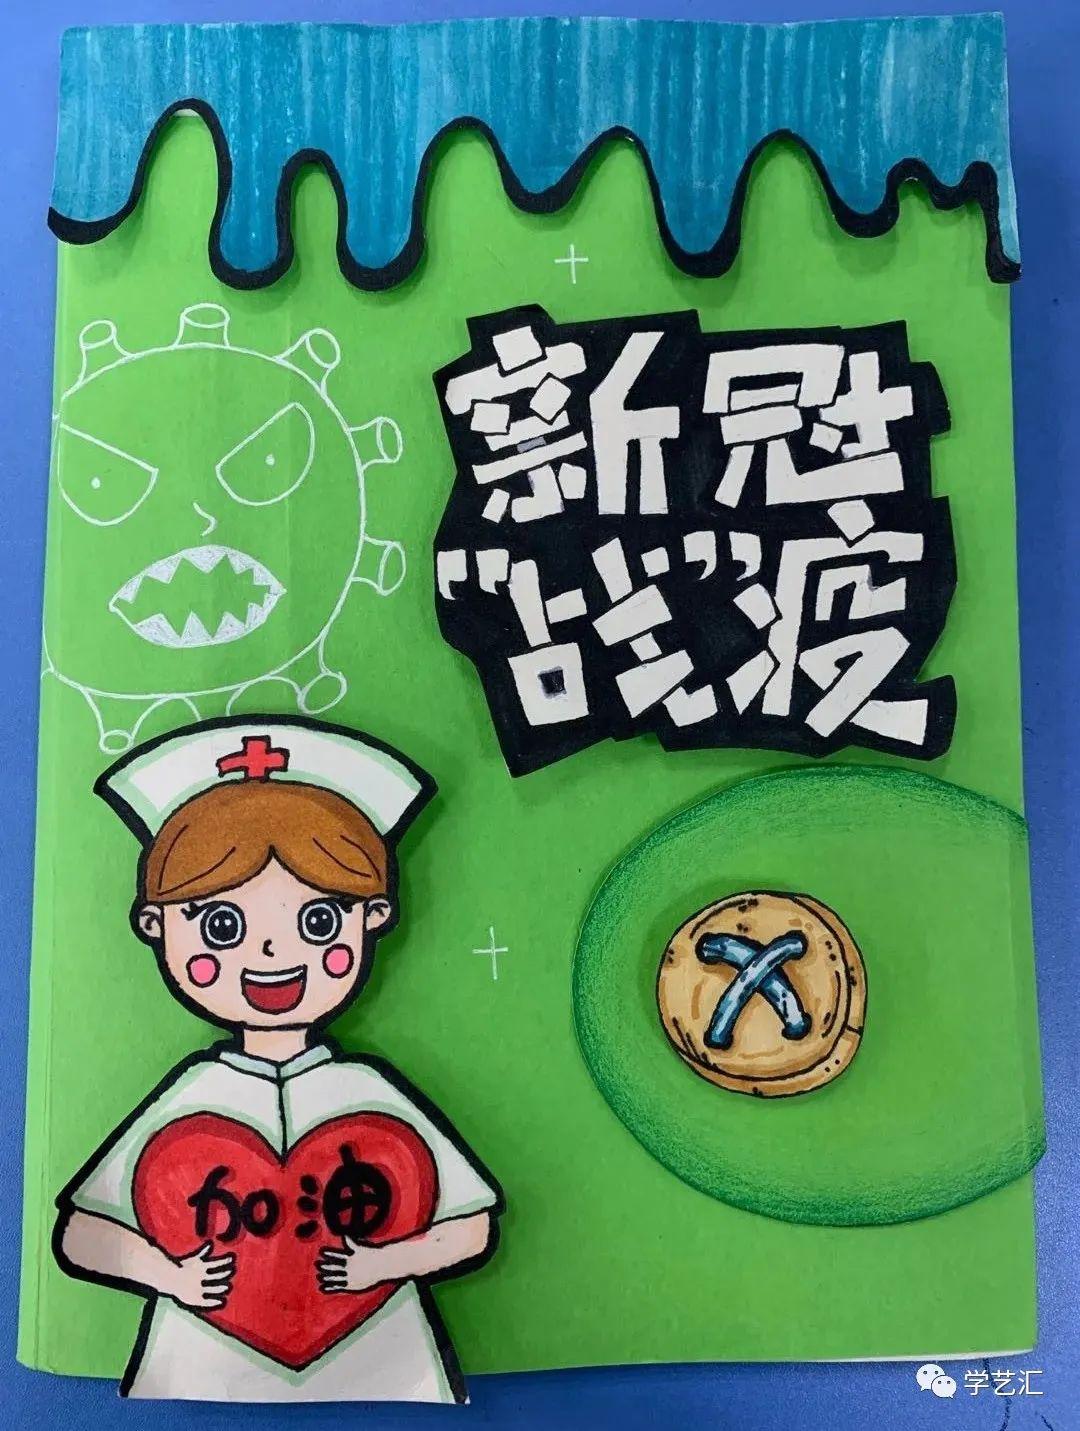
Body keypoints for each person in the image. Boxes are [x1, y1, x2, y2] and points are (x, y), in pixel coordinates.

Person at [53, 716, 502, 1403]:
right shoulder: (195, 1093)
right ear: (154, 927)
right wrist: (171, 1276)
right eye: (222, 925)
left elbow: (471, 1226)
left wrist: (383, 1263)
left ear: (373, 917)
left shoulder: (364, 1090)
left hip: (383, 1355)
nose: (270, 952)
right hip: (199, 1360)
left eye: (318, 921)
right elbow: (83, 1232)